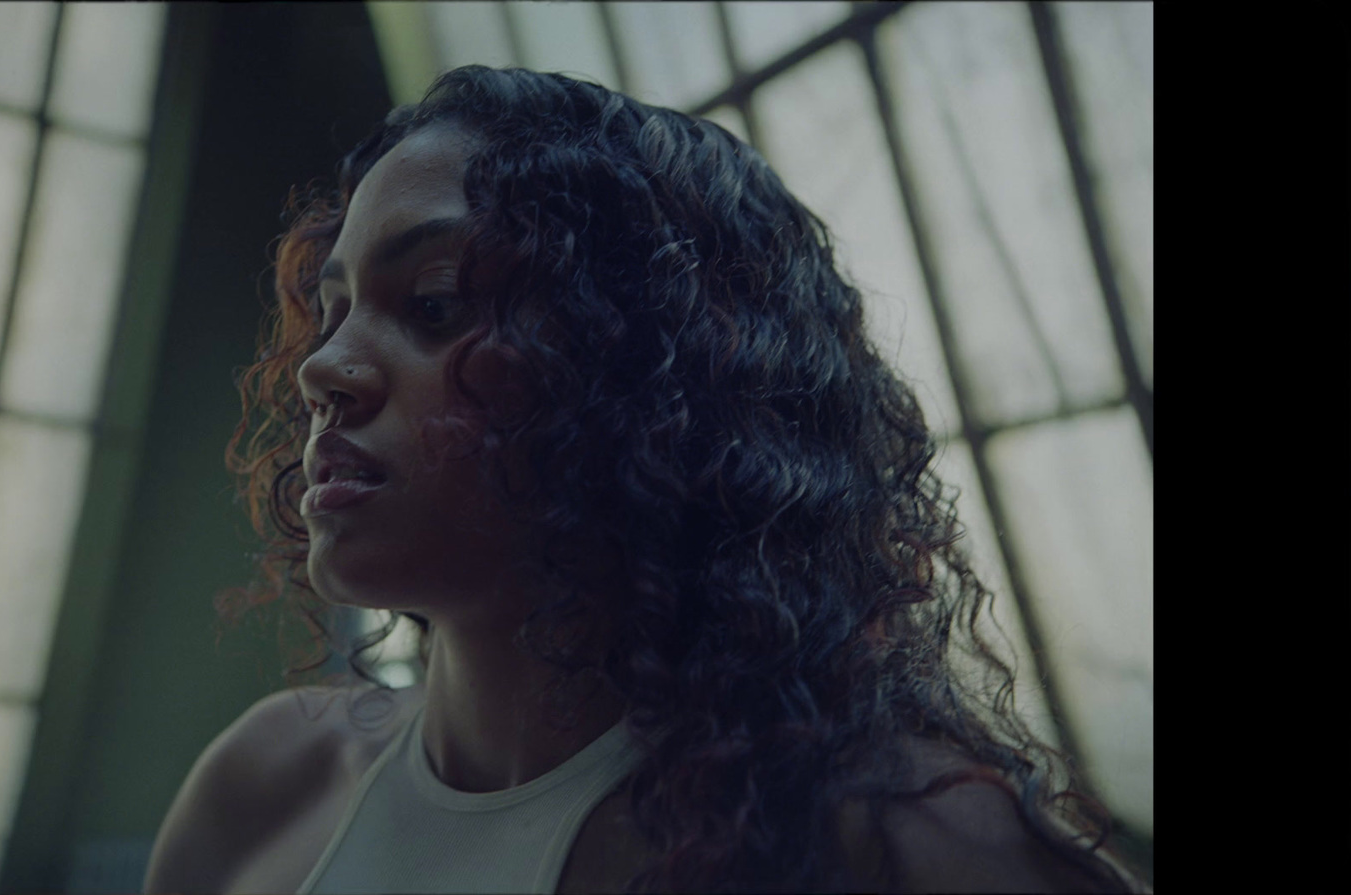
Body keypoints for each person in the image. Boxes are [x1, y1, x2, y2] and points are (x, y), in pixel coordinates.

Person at [144, 66, 1145, 894]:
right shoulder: (267, 784)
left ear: (651, 379)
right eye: (333, 310)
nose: (325, 370)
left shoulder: (901, 848)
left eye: (437, 302)